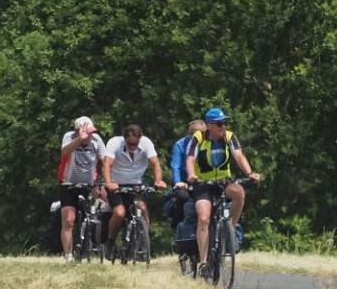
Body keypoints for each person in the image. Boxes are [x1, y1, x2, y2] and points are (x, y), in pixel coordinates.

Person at [185, 107, 260, 276]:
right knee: (203, 217)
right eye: (219, 124)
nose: (223, 127)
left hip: (223, 181)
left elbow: (239, 156)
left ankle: (229, 230)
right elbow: (190, 158)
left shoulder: (229, 137)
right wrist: (191, 174)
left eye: (224, 123)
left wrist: (249, 173)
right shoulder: (199, 138)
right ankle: (203, 262)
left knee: (239, 193)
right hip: (203, 183)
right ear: (209, 126)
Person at [103, 124, 167, 250]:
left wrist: (158, 180)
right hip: (116, 184)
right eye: (129, 144)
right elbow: (106, 165)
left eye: (135, 144)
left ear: (140, 139)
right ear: (124, 139)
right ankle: (110, 241)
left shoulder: (146, 143)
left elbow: (155, 164)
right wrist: (108, 182)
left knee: (142, 208)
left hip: (136, 183)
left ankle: (144, 243)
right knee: (119, 212)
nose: (132, 147)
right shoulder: (115, 143)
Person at [57, 116, 108, 263]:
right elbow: (64, 153)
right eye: (87, 132)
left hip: (89, 182)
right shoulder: (69, 137)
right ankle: (68, 255)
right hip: (68, 182)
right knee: (68, 219)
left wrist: (104, 183)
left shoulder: (96, 140)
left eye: (91, 132)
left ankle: (102, 244)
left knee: (103, 203)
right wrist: (79, 139)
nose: (89, 136)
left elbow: (104, 162)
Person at [165, 119, 206, 228]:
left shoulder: (209, 144)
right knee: (183, 197)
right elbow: (176, 166)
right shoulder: (180, 145)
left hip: (204, 179)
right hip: (185, 180)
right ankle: (180, 224)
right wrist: (178, 182)